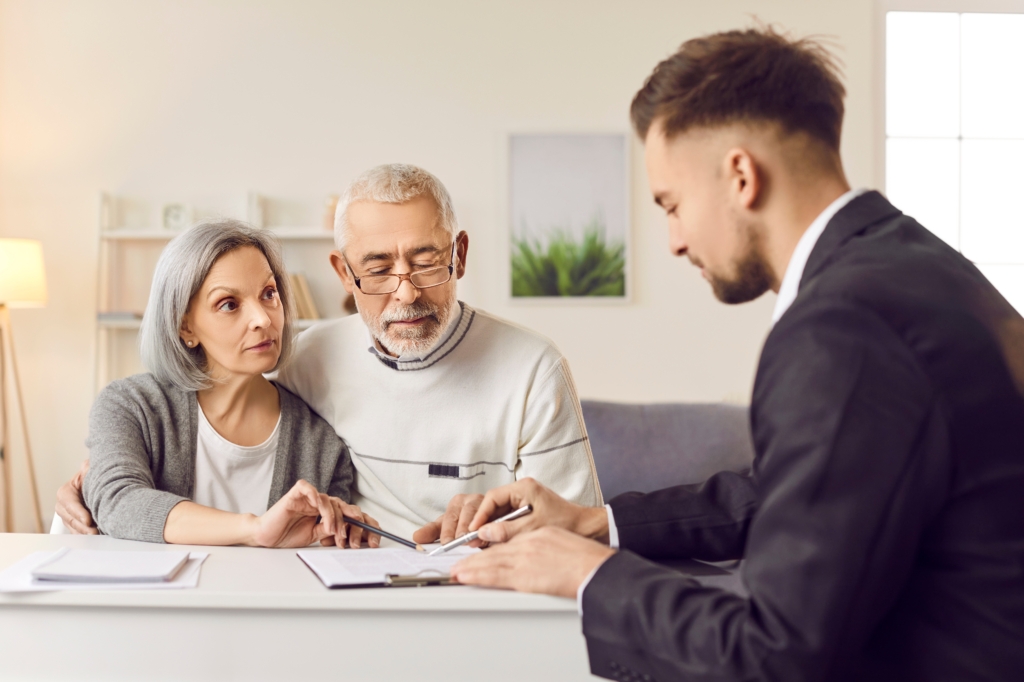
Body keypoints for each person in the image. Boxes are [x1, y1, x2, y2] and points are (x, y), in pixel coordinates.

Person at [450, 27, 1024, 681]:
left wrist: (592, 577)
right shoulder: (919, 265)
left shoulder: (842, 325)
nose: (673, 241)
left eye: (672, 204)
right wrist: (597, 522)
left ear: (741, 176)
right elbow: (805, 494)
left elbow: (777, 652)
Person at [59, 164, 603, 542]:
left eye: (426, 260)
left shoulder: (533, 368)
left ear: (459, 255)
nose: (406, 291)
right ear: (343, 272)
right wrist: (95, 486)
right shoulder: (306, 357)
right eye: (377, 268)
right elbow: (125, 486)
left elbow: (580, 531)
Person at [82, 220, 379, 549]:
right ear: (185, 328)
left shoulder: (320, 447)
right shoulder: (131, 407)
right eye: (229, 305)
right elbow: (119, 503)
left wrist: (342, 534)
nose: (263, 319)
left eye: (269, 294)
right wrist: (256, 529)